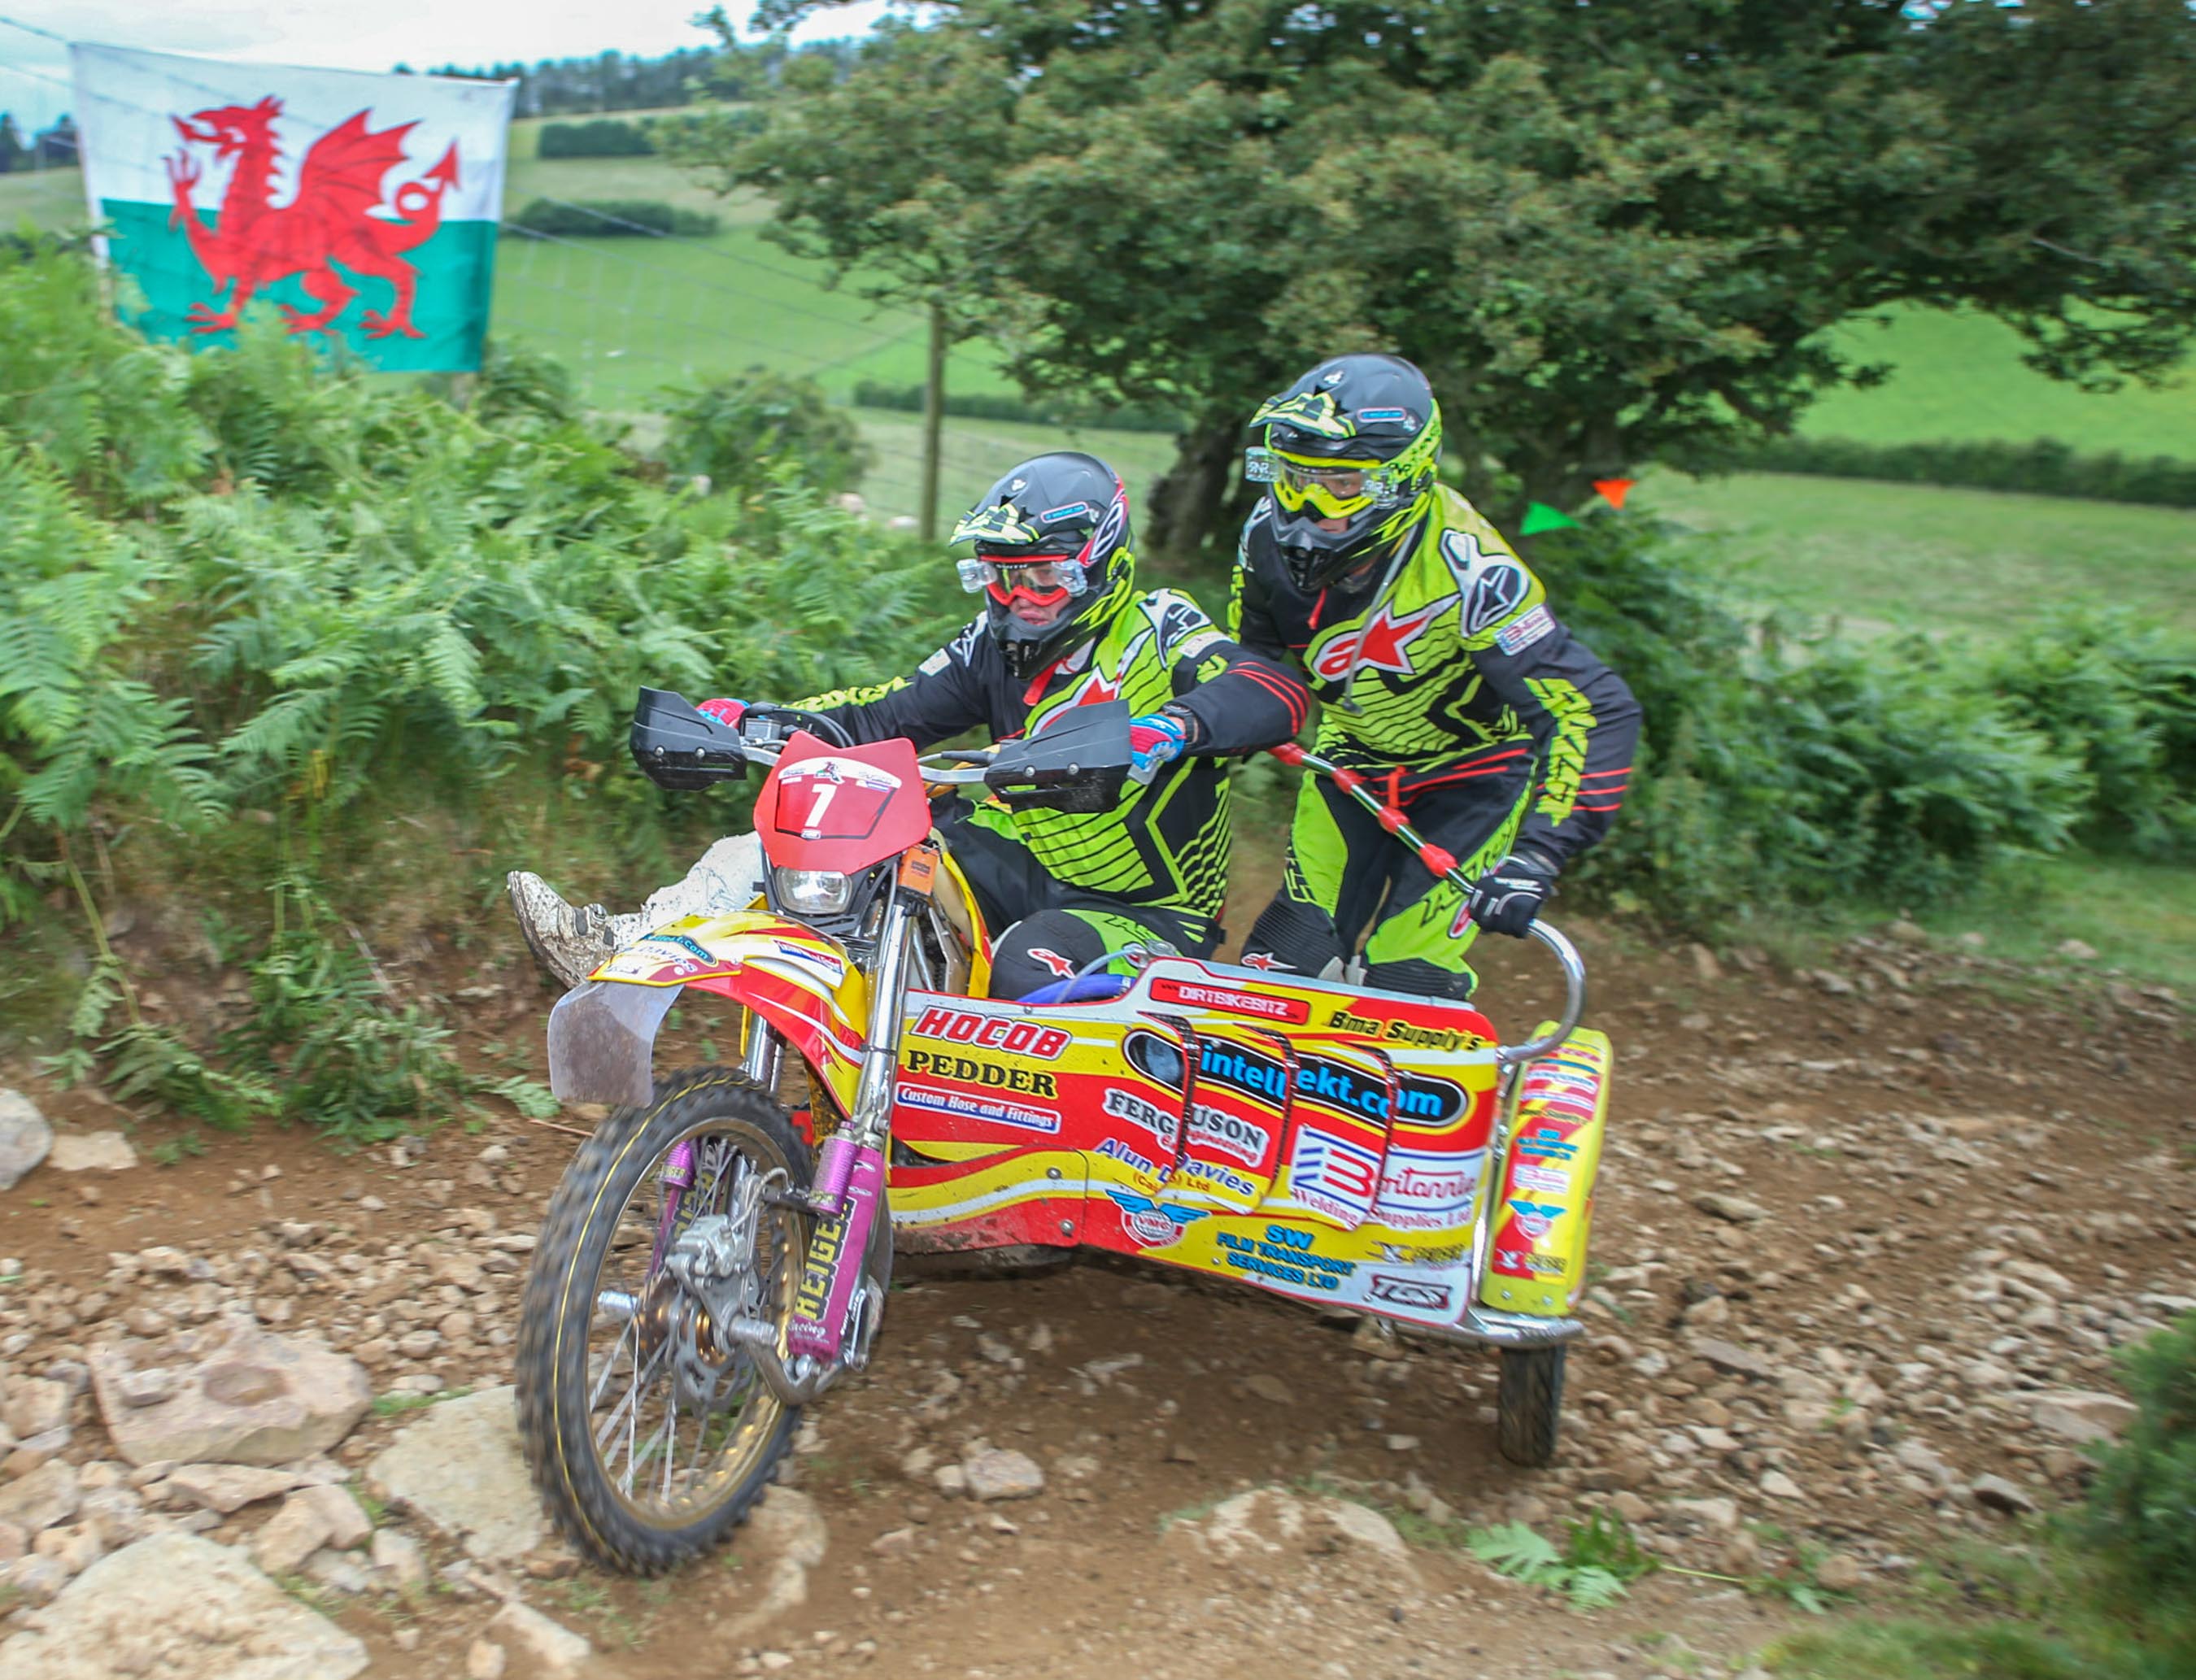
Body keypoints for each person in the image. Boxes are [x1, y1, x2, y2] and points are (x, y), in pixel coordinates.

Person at [510, 451, 1309, 998]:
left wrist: (1165, 731)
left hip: (1143, 906)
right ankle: (621, 943)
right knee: (818, 851)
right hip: (1007, 862)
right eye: (998, 578)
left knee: (1029, 971)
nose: (1017, 600)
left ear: (1101, 569)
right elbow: (880, 718)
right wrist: (750, 720)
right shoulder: (990, 646)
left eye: (1042, 579)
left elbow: (1273, 690)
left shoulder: (1160, 628)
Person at [1228, 352, 1641, 998]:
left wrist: (1538, 855)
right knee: (1279, 968)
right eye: (1293, 476)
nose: (1307, 507)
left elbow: (1592, 706)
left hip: (1471, 779)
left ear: (1403, 478)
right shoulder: (1261, 535)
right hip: (1350, 763)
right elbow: (1252, 669)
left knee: (1406, 985)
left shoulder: (1473, 570)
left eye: (1341, 485)